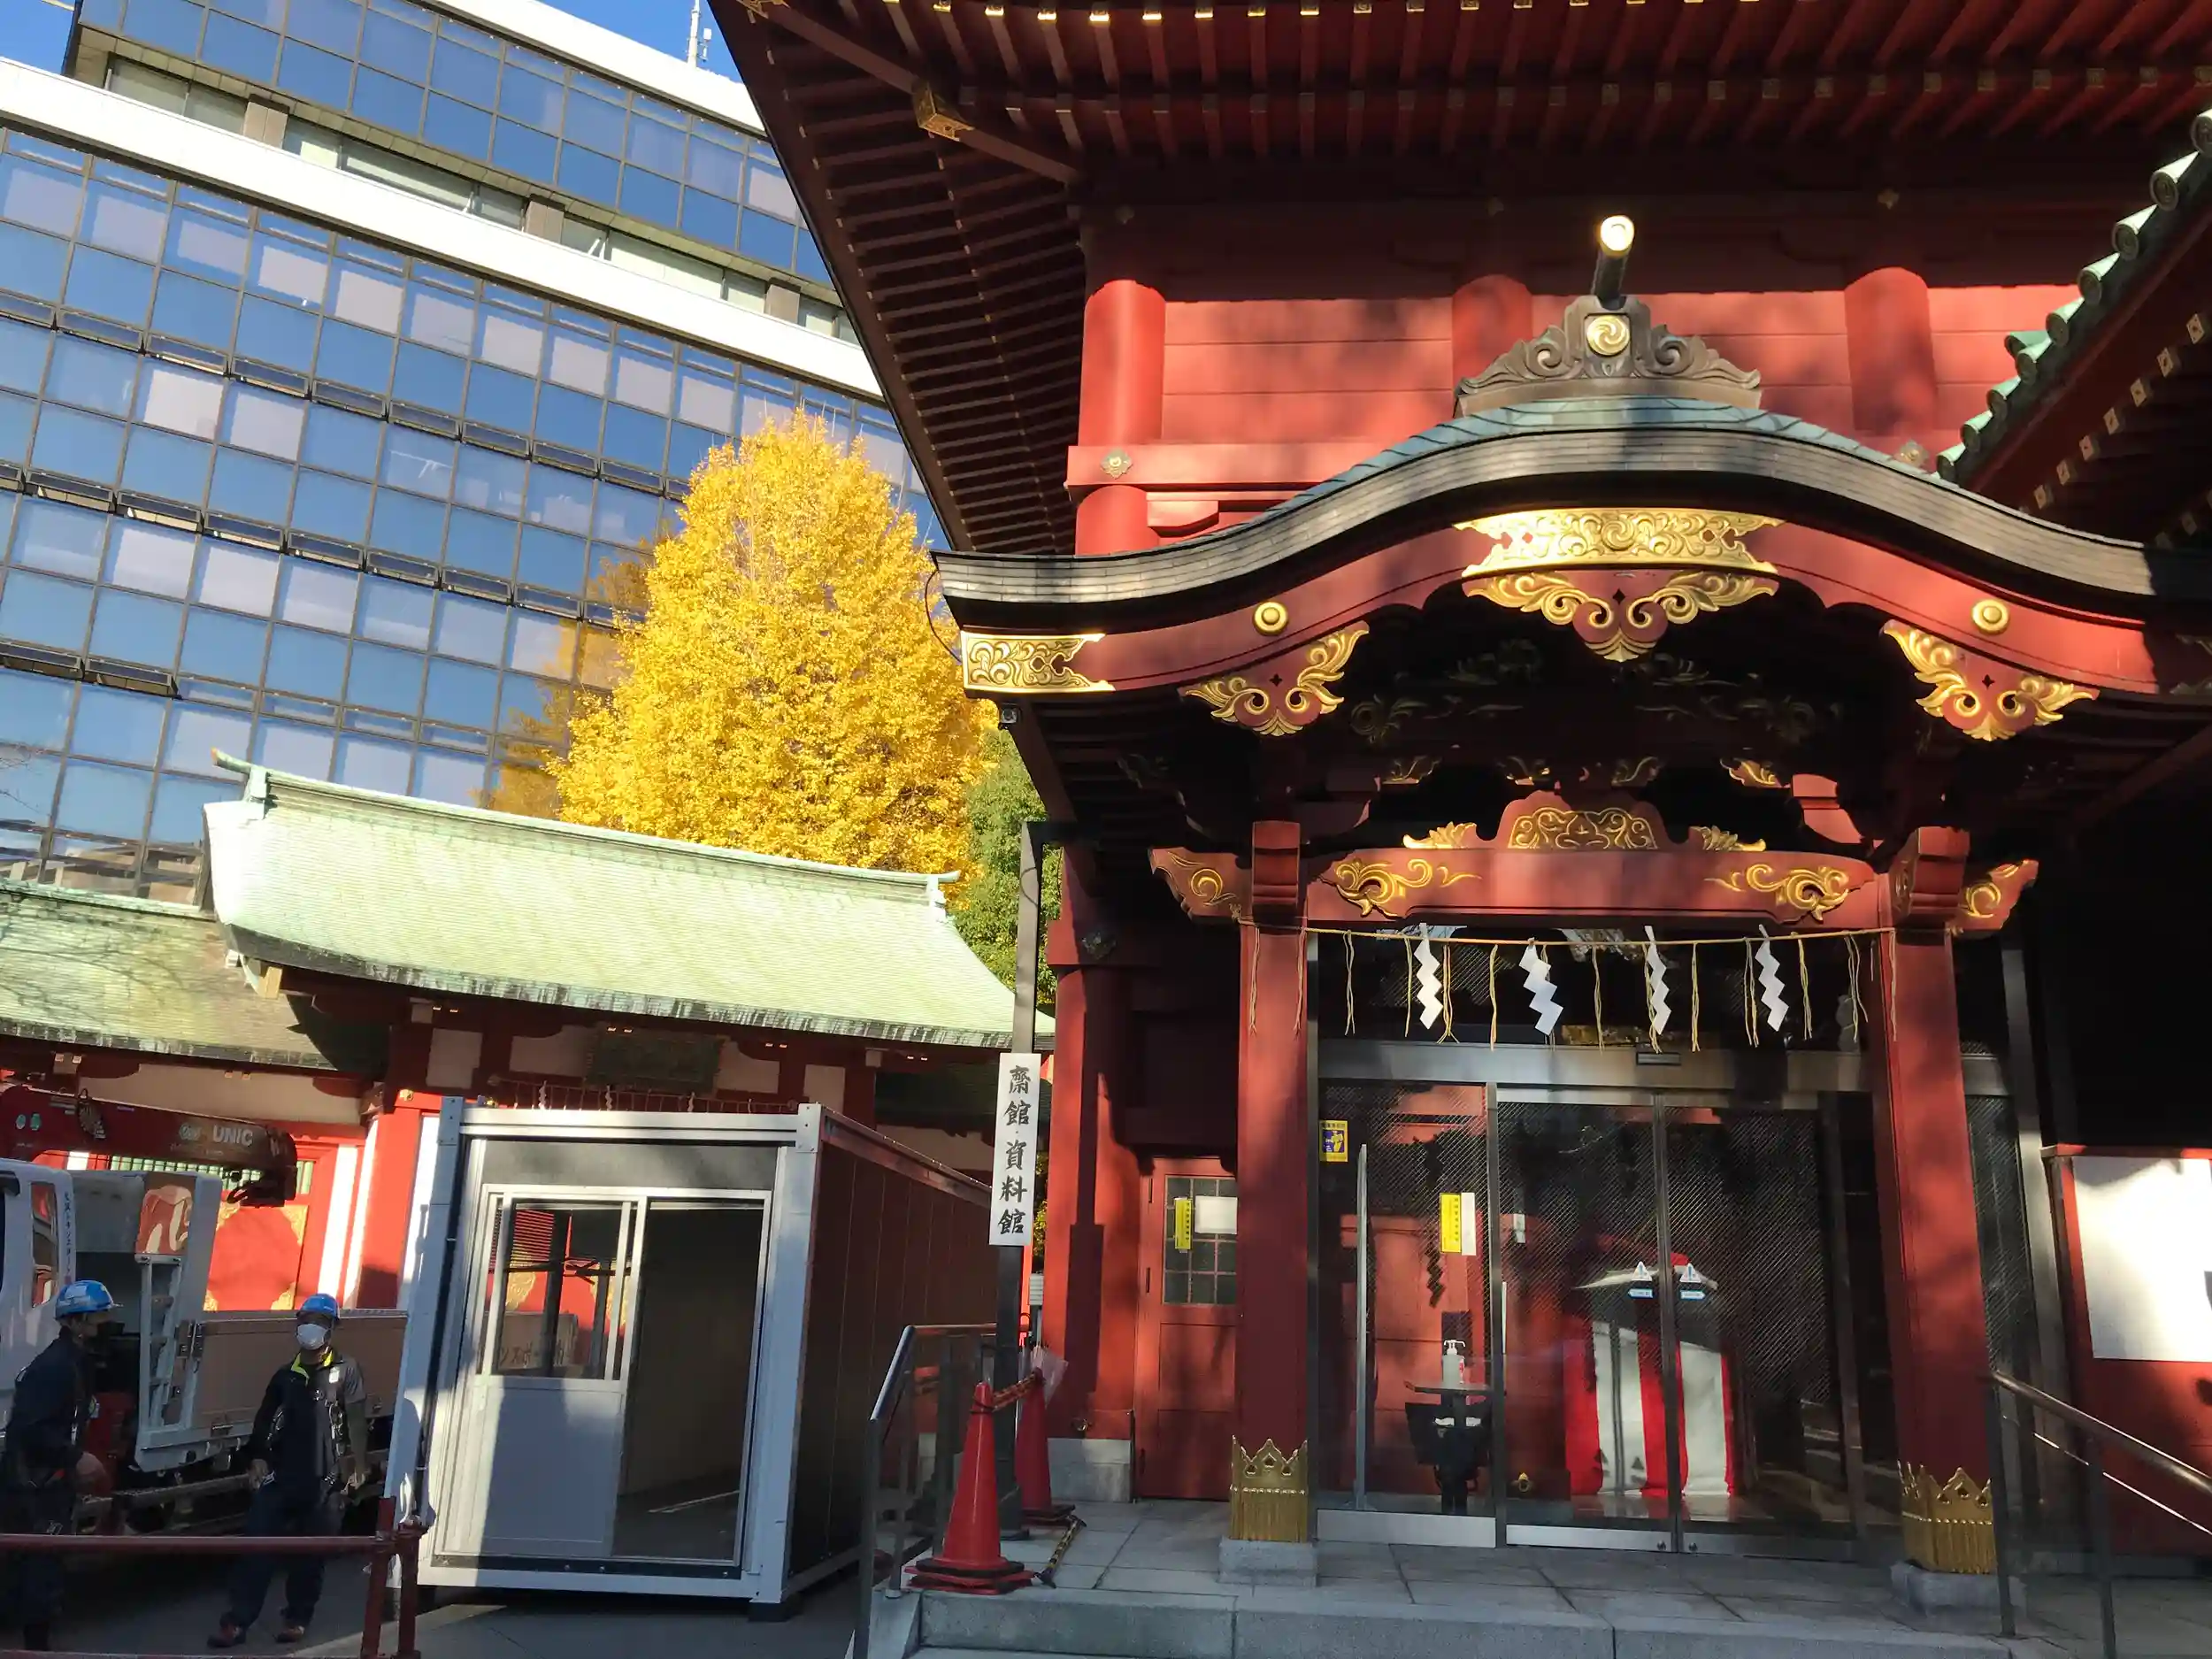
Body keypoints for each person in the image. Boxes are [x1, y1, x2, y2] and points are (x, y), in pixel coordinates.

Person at [208, 1294, 369, 1649]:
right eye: (306, 1319)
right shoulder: (285, 1375)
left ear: (332, 1328)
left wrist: (357, 1468)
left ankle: (297, 1617)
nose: (311, 1327)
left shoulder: (347, 1371)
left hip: (326, 1480)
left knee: (310, 1556)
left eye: (320, 1321)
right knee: (256, 1547)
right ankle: (236, 1622)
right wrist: (258, 1458)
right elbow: (264, 1422)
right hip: (282, 1477)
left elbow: (357, 1422)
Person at [0, 1280, 117, 1651]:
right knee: (38, 1572)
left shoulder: (76, 1363)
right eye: (100, 1319)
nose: (107, 1326)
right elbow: (29, 1428)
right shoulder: (54, 1368)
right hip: (35, 1491)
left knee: (41, 1569)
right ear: (76, 1322)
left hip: (49, 1485)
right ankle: (35, 1648)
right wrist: (74, 1457)